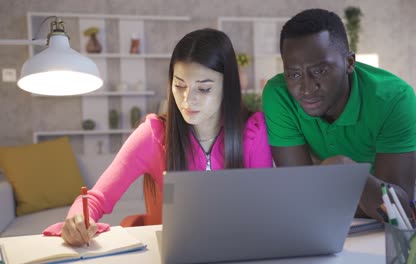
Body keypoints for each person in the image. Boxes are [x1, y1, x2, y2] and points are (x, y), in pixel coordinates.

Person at [50, 28, 272, 246]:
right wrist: (77, 219)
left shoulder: (253, 131)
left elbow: (264, 211)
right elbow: (97, 198)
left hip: (239, 251)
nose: (188, 99)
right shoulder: (153, 134)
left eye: (203, 89)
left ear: (228, 87)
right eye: (179, 85)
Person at [262, 8, 416, 229]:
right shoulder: (279, 94)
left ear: (350, 62)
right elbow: (302, 197)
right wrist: (401, 210)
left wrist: (346, 171)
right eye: (294, 74)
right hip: (365, 200)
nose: (306, 88)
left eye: (320, 71)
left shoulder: (394, 98)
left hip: (373, 188)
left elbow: (398, 203)